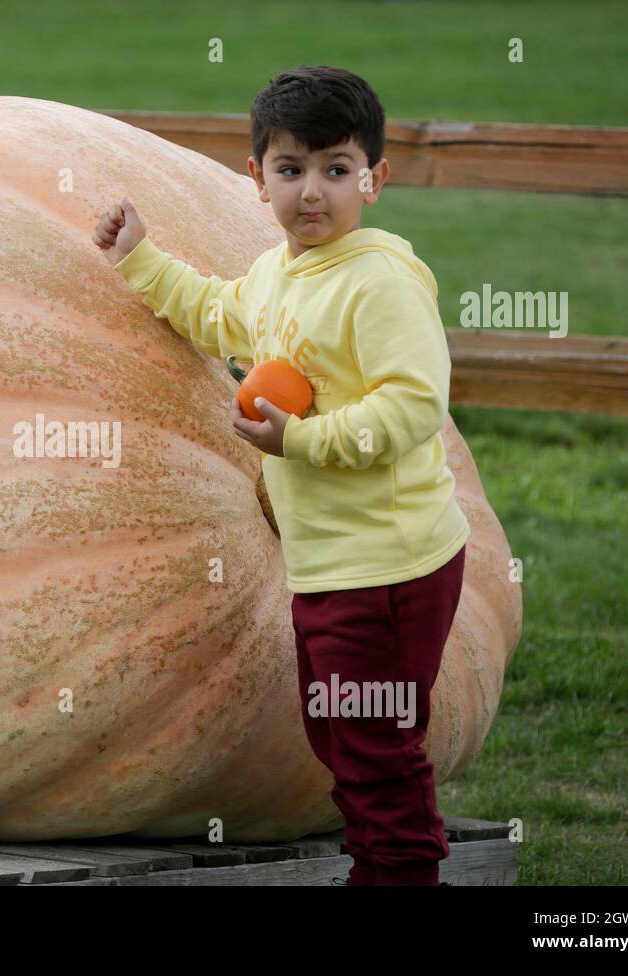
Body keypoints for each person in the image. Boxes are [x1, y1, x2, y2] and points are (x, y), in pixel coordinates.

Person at [92, 65, 470, 886]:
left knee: (375, 749)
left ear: (375, 178)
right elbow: (217, 310)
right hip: (331, 568)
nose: (312, 192)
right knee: (338, 734)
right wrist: (140, 260)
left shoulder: (381, 283)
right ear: (256, 176)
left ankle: (399, 870)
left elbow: (411, 408)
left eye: (337, 170)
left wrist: (301, 441)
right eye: (291, 169)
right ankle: (391, 857)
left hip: (393, 568)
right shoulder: (277, 274)